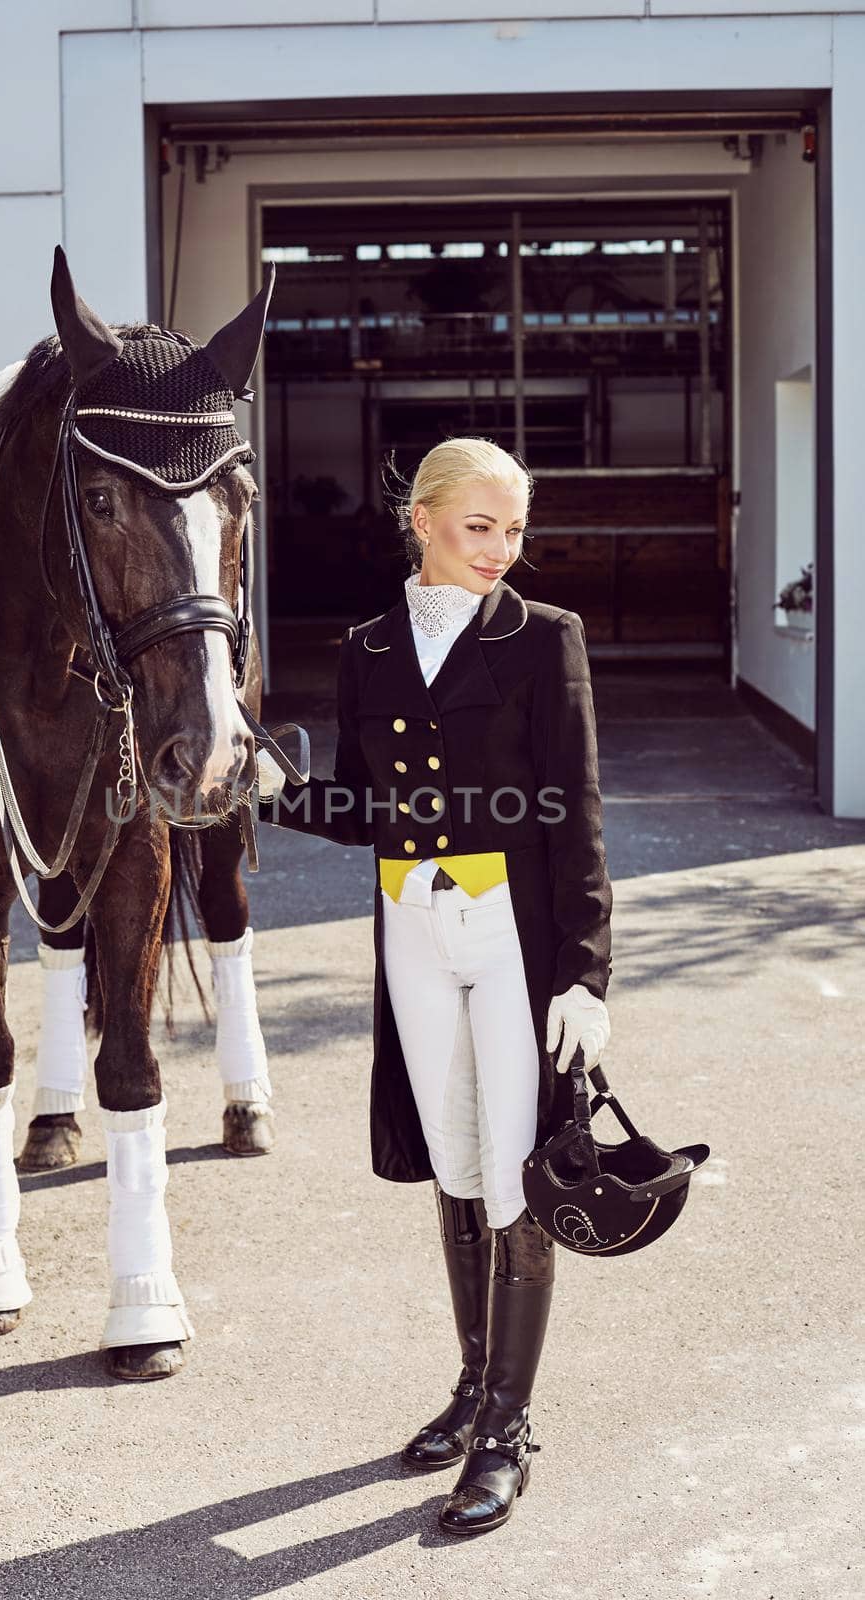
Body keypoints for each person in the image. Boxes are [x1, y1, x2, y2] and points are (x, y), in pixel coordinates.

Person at [255, 437, 613, 1536]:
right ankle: (471, 1390)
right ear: (421, 520)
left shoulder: (545, 638)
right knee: (455, 1161)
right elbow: (369, 809)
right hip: (412, 925)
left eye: (513, 531)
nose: (501, 550)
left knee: (514, 1165)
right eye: (479, 527)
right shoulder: (364, 646)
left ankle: (506, 1430)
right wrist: (278, 794)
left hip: (511, 928)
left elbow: (575, 811)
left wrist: (585, 971)